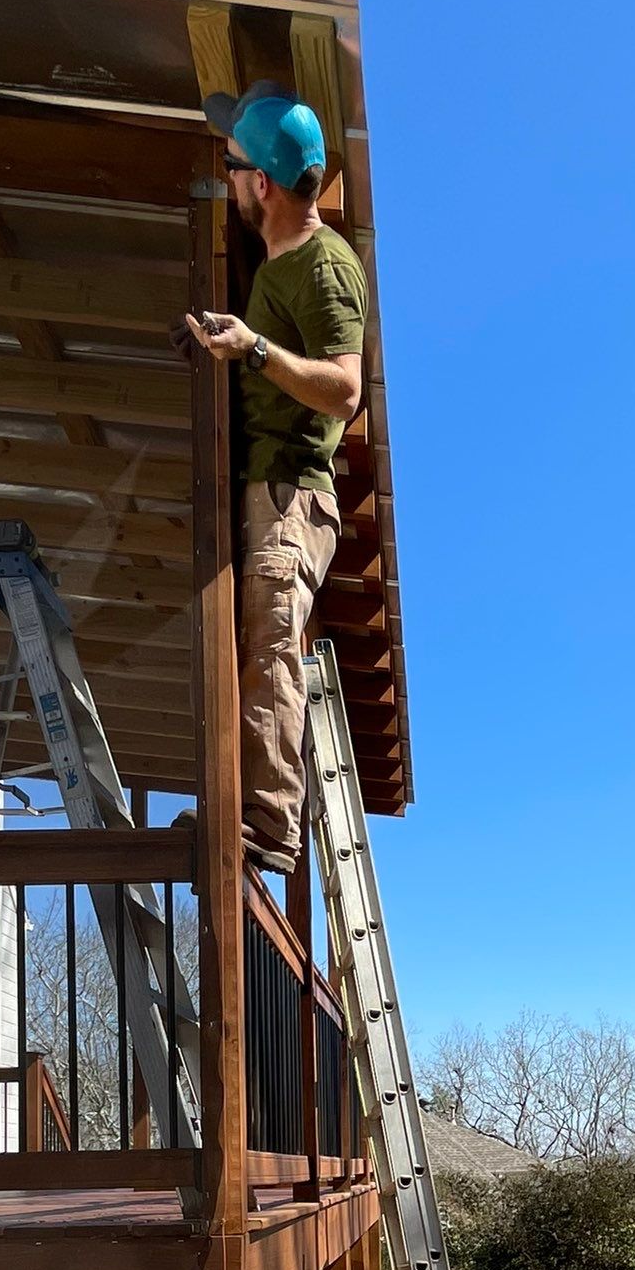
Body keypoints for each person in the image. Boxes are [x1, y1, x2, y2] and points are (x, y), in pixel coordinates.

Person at [176, 83, 366, 875]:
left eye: (231, 164)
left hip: (291, 496)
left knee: (271, 653)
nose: (227, 177)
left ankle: (269, 825)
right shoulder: (277, 269)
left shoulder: (324, 267)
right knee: (249, 651)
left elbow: (346, 389)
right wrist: (232, 345)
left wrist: (255, 352)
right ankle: (247, 810)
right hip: (265, 490)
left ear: (260, 182)